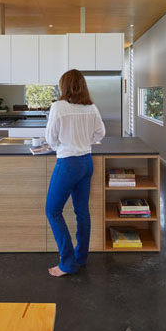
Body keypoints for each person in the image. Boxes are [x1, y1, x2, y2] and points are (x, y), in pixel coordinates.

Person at [44, 69, 106, 277]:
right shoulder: (91, 107)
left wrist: (68, 143)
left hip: (68, 163)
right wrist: (83, 141)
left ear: (64, 86)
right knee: (81, 211)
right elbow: (101, 134)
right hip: (86, 162)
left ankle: (67, 263)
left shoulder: (58, 107)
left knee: (52, 211)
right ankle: (80, 258)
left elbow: (51, 140)